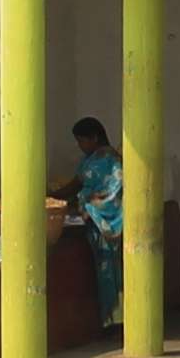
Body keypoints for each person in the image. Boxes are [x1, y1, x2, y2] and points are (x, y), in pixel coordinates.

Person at [60, 117, 126, 329]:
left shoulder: (106, 161)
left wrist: (86, 204)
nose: (79, 146)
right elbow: (79, 187)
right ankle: (112, 319)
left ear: (94, 137)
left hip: (106, 223)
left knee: (110, 273)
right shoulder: (92, 159)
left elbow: (111, 192)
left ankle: (116, 320)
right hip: (98, 225)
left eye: (81, 140)